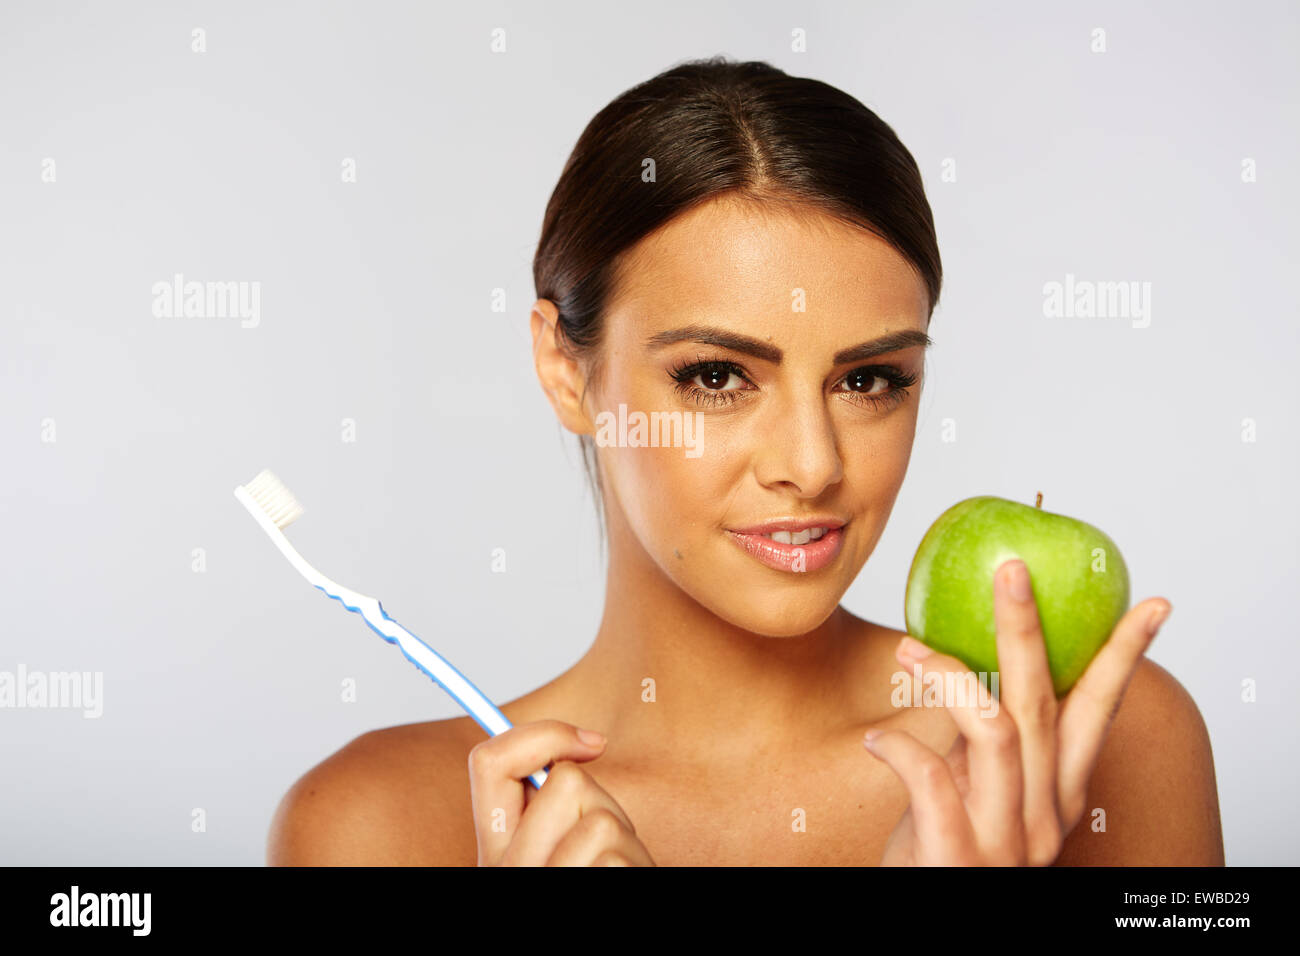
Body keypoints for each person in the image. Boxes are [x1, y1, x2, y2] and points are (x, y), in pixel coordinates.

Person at [268, 57, 1223, 866]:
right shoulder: (376, 825)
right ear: (567, 372)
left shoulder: (1096, 741)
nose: (812, 466)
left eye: (871, 379)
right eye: (718, 376)